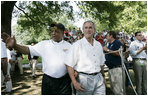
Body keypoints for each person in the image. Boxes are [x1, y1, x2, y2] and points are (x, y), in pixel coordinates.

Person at [2, 23, 72, 95]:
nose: (53, 33)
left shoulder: (69, 46)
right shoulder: (44, 44)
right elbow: (27, 50)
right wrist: (15, 45)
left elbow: (73, 62)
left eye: (56, 31)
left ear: (63, 33)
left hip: (64, 82)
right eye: (52, 31)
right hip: (48, 81)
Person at [65, 21, 106, 95]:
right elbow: (69, 65)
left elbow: (101, 63)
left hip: (99, 79)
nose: (88, 30)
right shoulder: (77, 45)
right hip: (84, 80)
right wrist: (74, 82)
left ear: (94, 30)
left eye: (90, 27)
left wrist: (103, 77)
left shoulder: (98, 45)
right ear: (83, 30)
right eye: (86, 28)